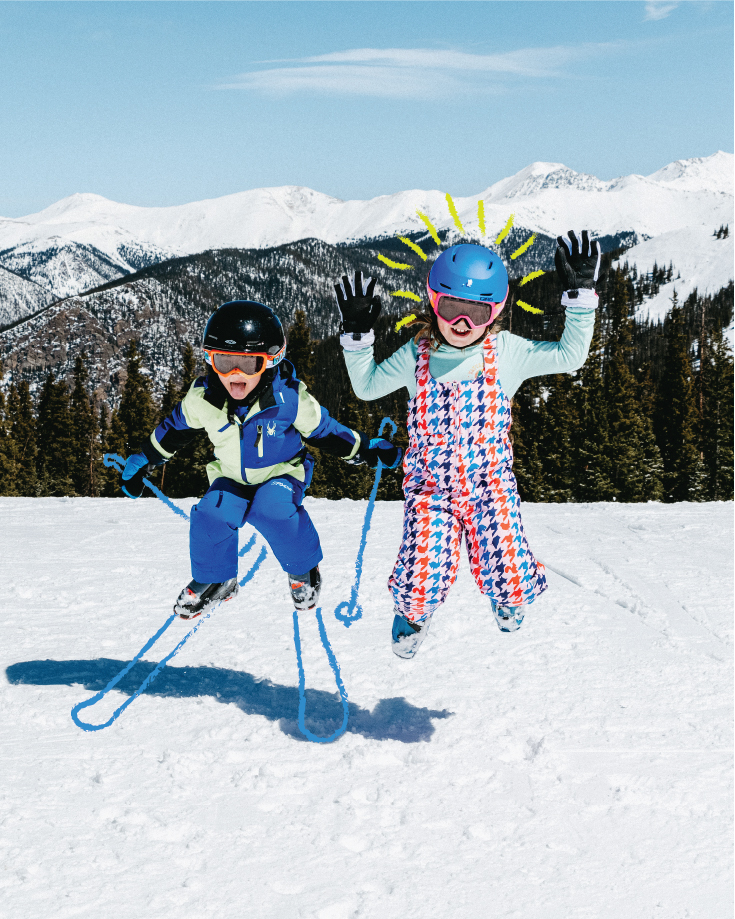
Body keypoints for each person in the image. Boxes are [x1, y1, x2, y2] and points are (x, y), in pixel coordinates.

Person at [334, 230, 601, 658]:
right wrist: (358, 337)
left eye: (476, 313)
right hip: (432, 491)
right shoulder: (415, 354)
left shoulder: (507, 352)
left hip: (489, 488)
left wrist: (580, 296)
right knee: (423, 574)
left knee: (510, 571)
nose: (462, 324)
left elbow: (570, 356)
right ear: (433, 301)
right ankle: (414, 615)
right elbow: (366, 387)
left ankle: (507, 595)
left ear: (494, 313)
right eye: (452, 308)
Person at [120, 300, 401, 619]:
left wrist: (366, 448)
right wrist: (143, 459)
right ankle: (217, 578)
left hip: (281, 474)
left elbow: (323, 430)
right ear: (211, 360)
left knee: (272, 511)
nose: (235, 376)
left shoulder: (288, 399)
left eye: (249, 364)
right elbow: (173, 430)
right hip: (231, 478)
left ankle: (303, 569)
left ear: (270, 361)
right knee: (210, 514)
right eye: (225, 362)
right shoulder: (204, 399)